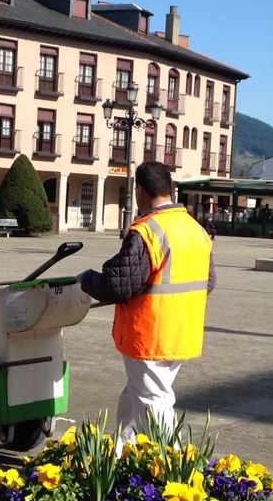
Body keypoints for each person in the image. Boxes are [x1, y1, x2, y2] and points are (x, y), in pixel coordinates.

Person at [79, 161, 215, 447]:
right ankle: (124, 451)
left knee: (154, 401)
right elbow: (209, 282)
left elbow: (118, 284)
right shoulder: (196, 230)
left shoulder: (148, 231)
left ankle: (171, 465)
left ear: (139, 190)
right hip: (181, 332)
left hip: (149, 334)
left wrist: (88, 279)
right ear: (170, 188)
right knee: (136, 396)